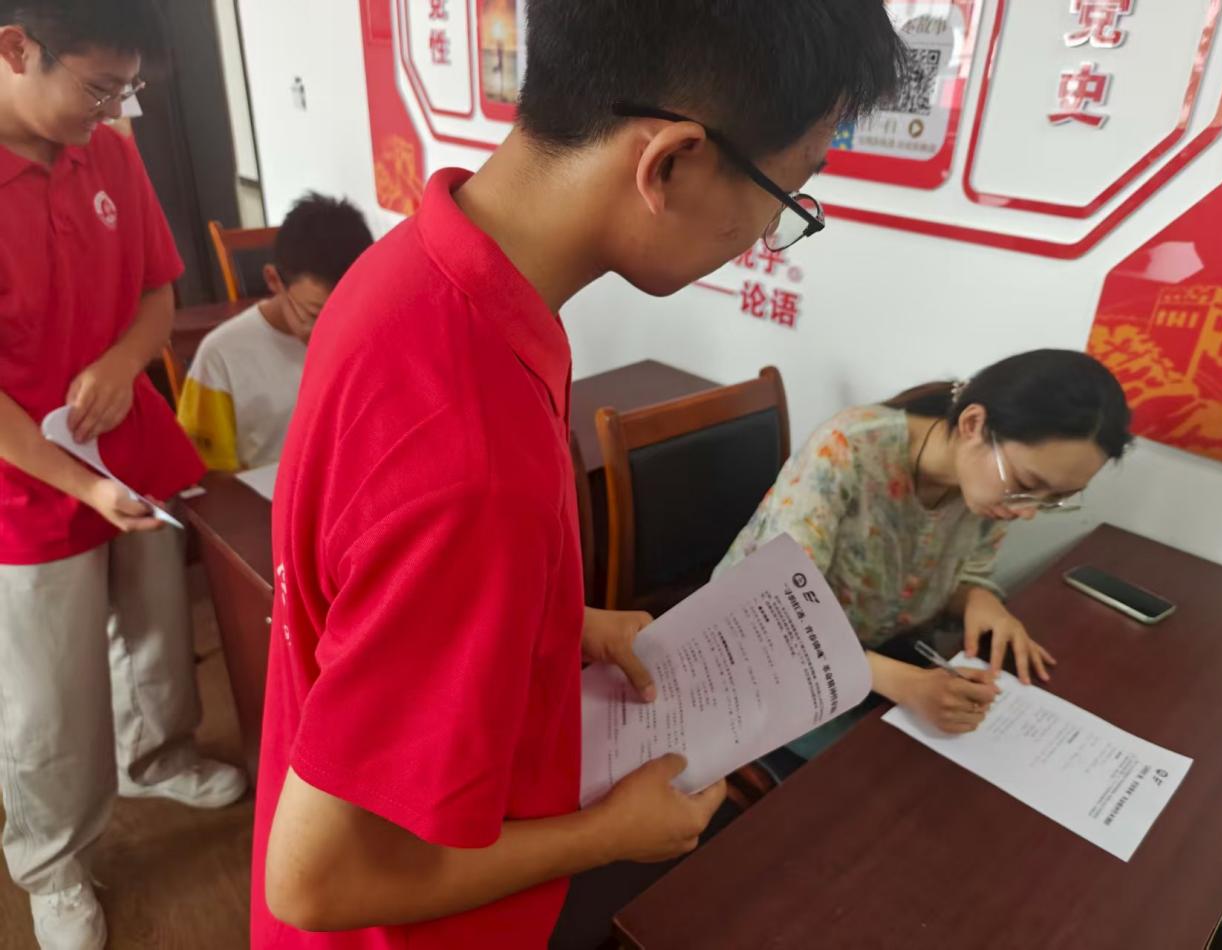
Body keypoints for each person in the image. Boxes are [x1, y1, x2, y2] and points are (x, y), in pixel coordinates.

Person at [254, 0, 906, 945]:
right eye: (789, 191)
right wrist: (611, 834)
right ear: (670, 163)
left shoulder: (418, 266)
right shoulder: (475, 456)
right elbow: (315, 880)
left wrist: (558, 620)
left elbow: (365, 581)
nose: (770, 228)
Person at [0, 2, 246, 948]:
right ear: (17, 49)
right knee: (48, 690)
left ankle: (157, 755)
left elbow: (157, 289)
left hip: (126, 443)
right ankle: (53, 862)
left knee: (154, 627)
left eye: (126, 91)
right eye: (99, 89)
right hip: (24, 477)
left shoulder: (105, 148)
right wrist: (77, 486)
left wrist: (122, 361)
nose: (112, 111)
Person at [716, 349, 1133, 776]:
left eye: (1056, 498)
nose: (1028, 511)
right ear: (973, 425)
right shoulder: (847, 449)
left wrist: (980, 600)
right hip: (759, 666)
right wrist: (903, 683)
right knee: (898, 786)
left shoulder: (988, 491)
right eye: (1027, 484)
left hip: (880, 656)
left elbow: (959, 570)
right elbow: (768, 620)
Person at [177, 193, 374, 472]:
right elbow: (205, 476)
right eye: (315, 315)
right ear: (273, 280)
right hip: (263, 495)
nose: (333, 333)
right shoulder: (221, 357)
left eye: (347, 312)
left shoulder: (370, 336)